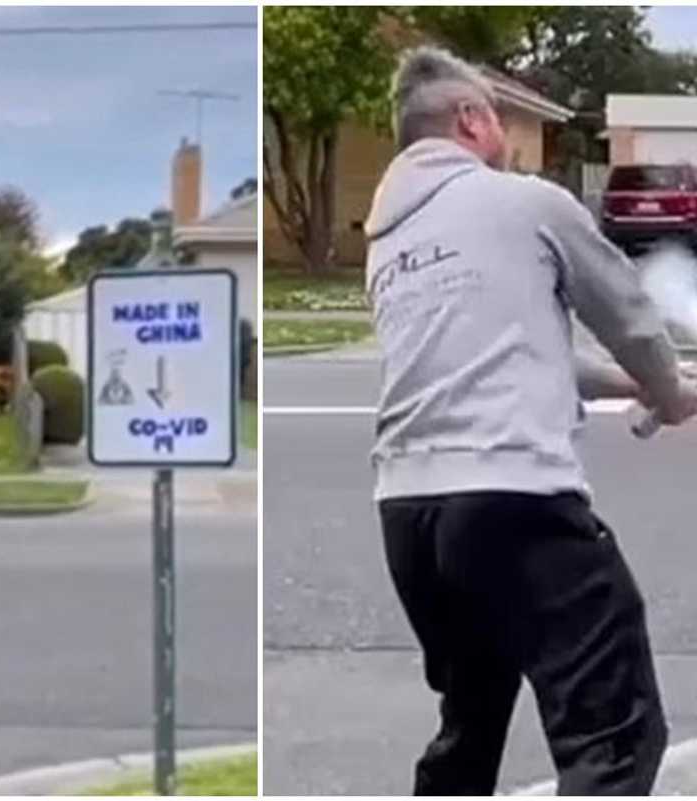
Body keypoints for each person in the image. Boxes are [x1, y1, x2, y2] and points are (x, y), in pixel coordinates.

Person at [363, 46, 697, 795]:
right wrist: (671, 393)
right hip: (510, 496)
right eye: (502, 120)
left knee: (469, 727)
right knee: (613, 733)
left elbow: (514, 346)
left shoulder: (390, 244)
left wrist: (636, 385)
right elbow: (632, 318)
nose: (509, 137)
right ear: (471, 118)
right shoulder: (524, 202)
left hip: (409, 517)